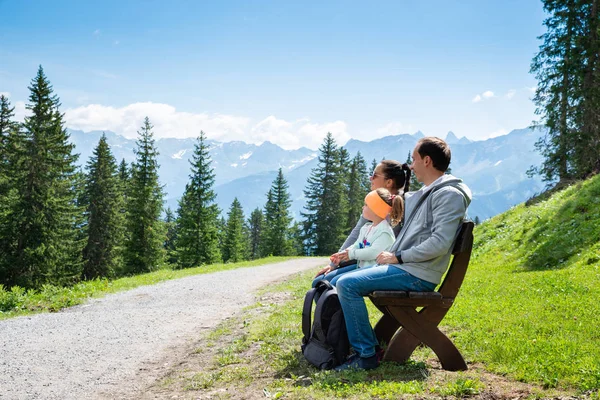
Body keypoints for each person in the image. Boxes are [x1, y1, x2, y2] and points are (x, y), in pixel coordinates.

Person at [334, 137, 472, 371]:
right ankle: (352, 345)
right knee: (338, 278)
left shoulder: (449, 195)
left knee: (347, 284)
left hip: (417, 273)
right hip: (407, 268)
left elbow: (439, 243)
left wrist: (398, 257)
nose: (410, 165)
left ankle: (366, 355)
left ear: (427, 161)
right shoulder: (427, 193)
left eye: (414, 159)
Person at [312, 161, 411, 287]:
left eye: (374, 175)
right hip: (363, 261)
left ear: (389, 182)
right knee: (321, 281)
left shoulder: (400, 209)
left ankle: (335, 306)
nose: (370, 178)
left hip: (377, 267)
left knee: (330, 283)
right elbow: (357, 238)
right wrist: (334, 263)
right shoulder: (372, 209)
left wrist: (346, 256)